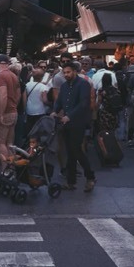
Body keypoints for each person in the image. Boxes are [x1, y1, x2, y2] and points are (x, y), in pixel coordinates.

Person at [53, 62, 96, 192]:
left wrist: (69, 116)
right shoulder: (65, 86)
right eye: (64, 73)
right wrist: (55, 110)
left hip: (78, 122)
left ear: (74, 72)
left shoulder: (83, 84)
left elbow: (83, 104)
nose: (66, 75)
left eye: (68, 72)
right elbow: (60, 101)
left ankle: (90, 176)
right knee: (70, 152)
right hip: (66, 123)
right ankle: (71, 181)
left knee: (76, 150)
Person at [0, 54, 21, 165]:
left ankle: (6, 172)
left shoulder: (0, 76)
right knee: (10, 143)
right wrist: (13, 106)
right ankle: (12, 171)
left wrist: (1, 114)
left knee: (0, 143)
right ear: (7, 63)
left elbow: (3, 95)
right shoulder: (14, 76)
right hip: (13, 112)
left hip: (3, 112)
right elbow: (18, 94)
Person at [23, 67, 49, 134]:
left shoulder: (27, 85)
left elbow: (24, 99)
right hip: (40, 111)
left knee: (30, 128)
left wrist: (24, 108)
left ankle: (29, 141)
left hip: (29, 110)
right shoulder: (43, 87)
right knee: (38, 130)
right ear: (42, 77)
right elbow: (44, 100)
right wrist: (50, 104)